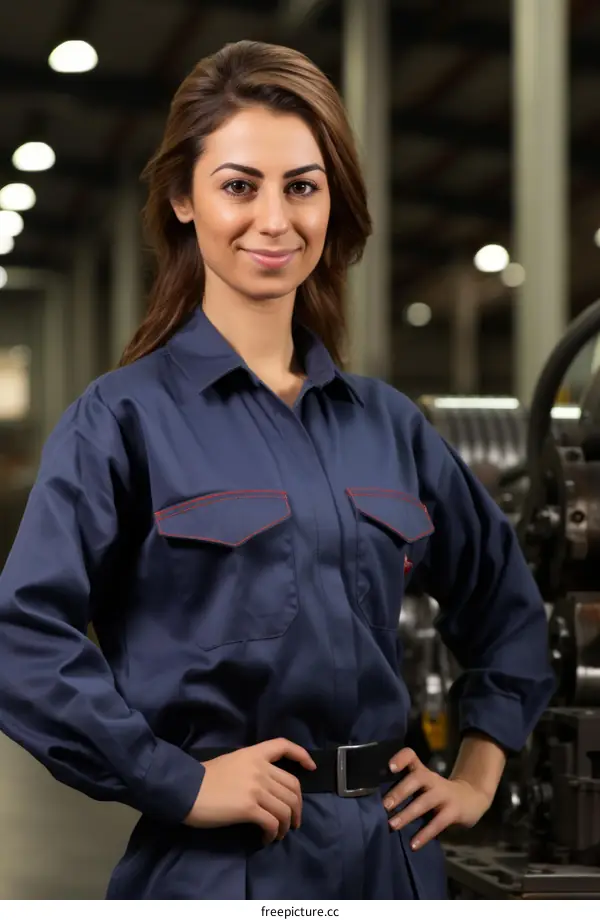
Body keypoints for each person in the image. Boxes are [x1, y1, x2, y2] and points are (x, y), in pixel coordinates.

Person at [0, 40, 555, 900]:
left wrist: (480, 767)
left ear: (332, 202)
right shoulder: (122, 421)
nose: (274, 219)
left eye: (302, 185)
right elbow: (22, 640)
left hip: (394, 861)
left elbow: (510, 606)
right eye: (238, 185)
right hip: (218, 868)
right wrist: (179, 780)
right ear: (184, 199)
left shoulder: (389, 427)